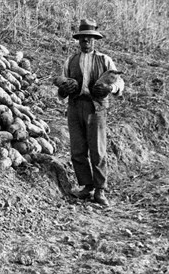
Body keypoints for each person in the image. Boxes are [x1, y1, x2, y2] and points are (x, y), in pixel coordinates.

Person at [57, 19, 124, 207]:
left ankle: (100, 189)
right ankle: (86, 186)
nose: (86, 41)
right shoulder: (71, 60)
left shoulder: (105, 60)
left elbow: (119, 83)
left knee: (98, 150)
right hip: (75, 106)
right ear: (78, 40)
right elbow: (61, 84)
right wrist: (65, 87)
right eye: (83, 38)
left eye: (90, 38)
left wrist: (110, 89)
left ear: (95, 40)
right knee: (78, 149)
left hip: (96, 108)